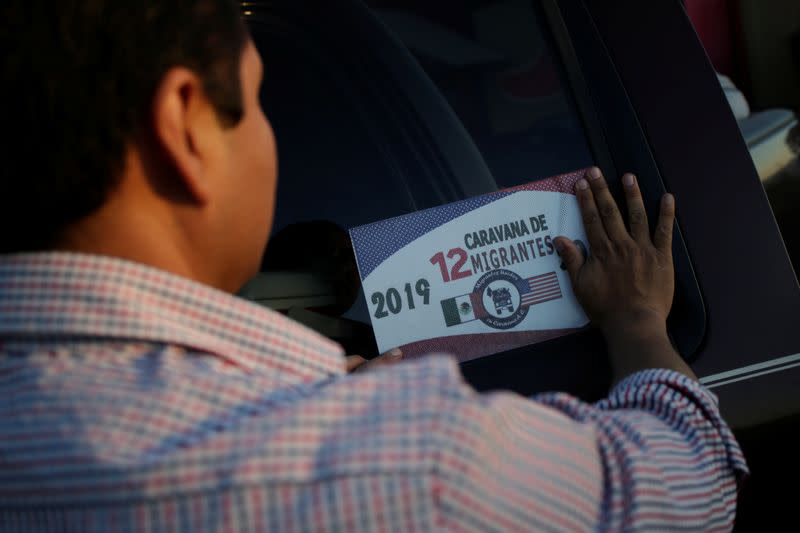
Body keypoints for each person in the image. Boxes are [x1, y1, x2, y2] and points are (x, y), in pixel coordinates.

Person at [0, 1, 747, 531]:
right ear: (184, 125)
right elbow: (691, 488)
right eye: (263, 98)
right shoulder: (399, 456)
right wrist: (641, 320)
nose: (272, 139)